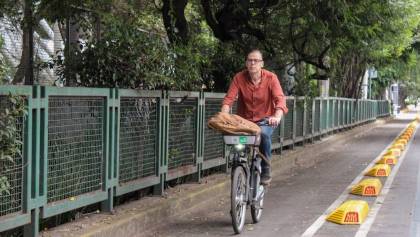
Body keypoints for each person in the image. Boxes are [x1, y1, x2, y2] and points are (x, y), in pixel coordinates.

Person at [221, 49, 288, 185]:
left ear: (261, 64)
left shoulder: (271, 78)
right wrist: (224, 115)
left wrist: (276, 116)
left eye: (256, 61)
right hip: (244, 122)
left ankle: (266, 168)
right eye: (250, 60)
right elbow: (228, 100)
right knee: (234, 140)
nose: (252, 63)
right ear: (246, 63)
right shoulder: (239, 78)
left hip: (265, 121)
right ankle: (238, 167)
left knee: (263, 134)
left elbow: (280, 99)